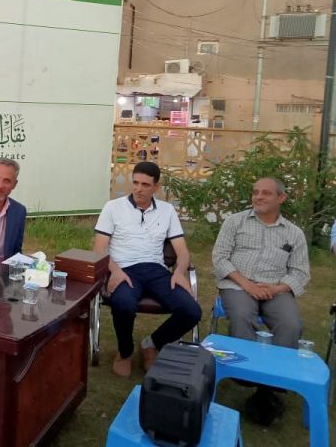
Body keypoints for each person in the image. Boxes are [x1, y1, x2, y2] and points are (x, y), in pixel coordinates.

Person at [212, 177, 310, 424]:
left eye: (266, 193)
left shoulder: (294, 233)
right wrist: (247, 284)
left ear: (281, 198)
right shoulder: (235, 222)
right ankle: (246, 374)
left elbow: (300, 273)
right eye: (255, 192)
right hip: (238, 285)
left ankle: (269, 385)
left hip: (275, 289)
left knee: (290, 323)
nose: (258, 197)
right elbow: (220, 258)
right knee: (242, 315)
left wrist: (277, 288)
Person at [93, 161, 201, 378]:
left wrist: (179, 272)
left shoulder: (167, 211)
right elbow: (99, 249)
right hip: (125, 269)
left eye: (145, 184)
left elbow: (182, 251)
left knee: (191, 311)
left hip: (156, 270)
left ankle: (152, 344)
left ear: (156, 187)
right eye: (135, 183)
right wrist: (115, 270)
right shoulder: (113, 207)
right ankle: (125, 352)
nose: (138, 189)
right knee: (123, 304)